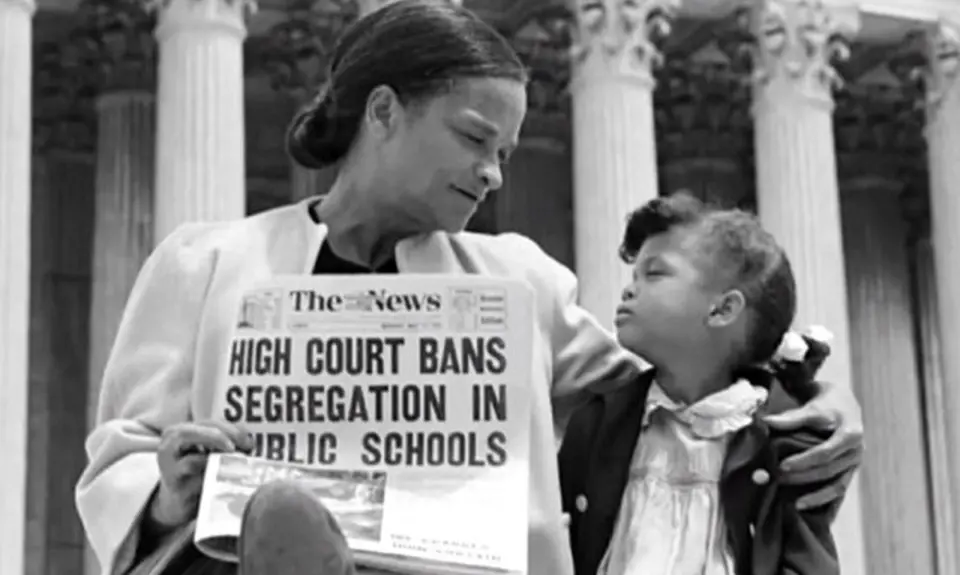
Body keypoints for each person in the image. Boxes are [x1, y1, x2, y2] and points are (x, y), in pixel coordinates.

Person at [75, 2, 864, 575]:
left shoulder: (519, 280)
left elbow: (680, 387)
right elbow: (120, 460)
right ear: (383, 111)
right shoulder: (205, 262)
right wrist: (170, 489)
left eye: (507, 153)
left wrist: (808, 395)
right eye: (474, 137)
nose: (491, 173)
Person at [558, 194, 841, 575]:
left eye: (654, 273)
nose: (628, 289)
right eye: (633, 275)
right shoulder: (595, 423)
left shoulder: (784, 441)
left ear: (723, 309)